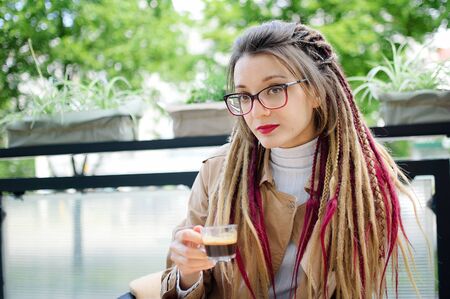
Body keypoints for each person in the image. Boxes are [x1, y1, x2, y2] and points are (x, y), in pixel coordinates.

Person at [138, 20, 418, 299]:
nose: (258, 112)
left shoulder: (362, 178)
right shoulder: (218, 172)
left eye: (274, 89)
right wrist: (188, 273)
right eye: (245, 96)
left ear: (316, 92)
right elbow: (180, 287)